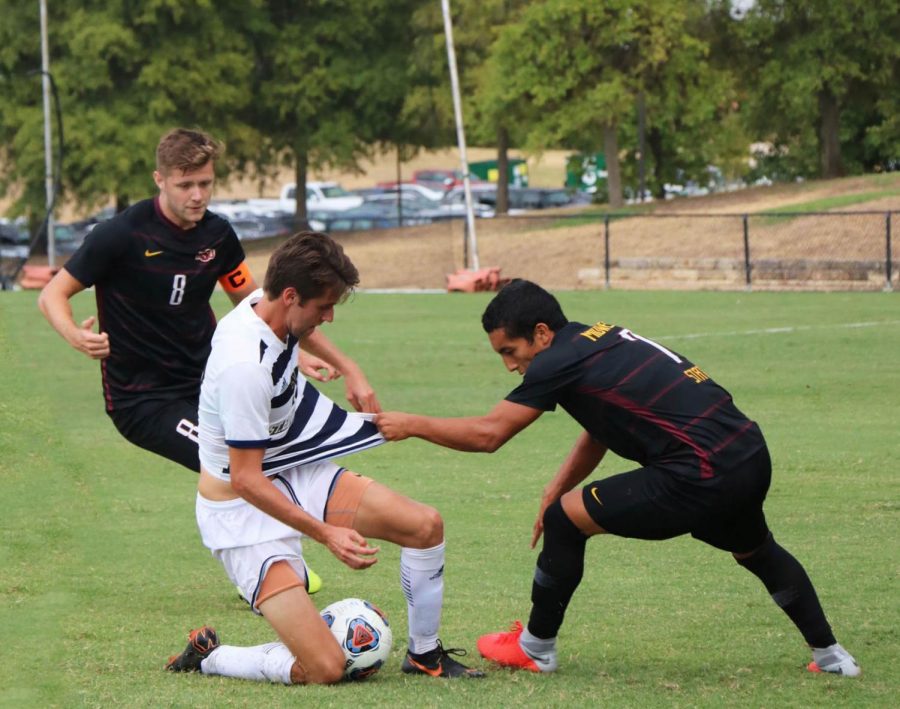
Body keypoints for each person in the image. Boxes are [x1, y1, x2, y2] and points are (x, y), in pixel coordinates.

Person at [375, 278, 861, 678]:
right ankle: (832, 657)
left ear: (542, 333)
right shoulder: (594, 338)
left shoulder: (556, 361)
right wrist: (556, 486)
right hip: (747, 454)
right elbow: (601, 424)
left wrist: (411, 425)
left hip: (700, 470)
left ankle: (536, 648)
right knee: (757, 550)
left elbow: (488, 434)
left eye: (511, 350)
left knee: (566, 522)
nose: (510, 365)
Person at [37, 128, 376, 591]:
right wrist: (74, 334)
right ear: (160, 179)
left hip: (209, 381)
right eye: (185, 185)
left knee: (261, 458)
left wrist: (322, 362)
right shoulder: (120, 235)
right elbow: (53, 294)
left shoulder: (217, 235)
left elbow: (261, 305)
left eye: (205, 183)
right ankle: (265, 573)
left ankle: (273, 565)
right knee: (234, 469)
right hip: (145, 400)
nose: (197, 195)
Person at [165, 231, 484, 684]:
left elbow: (297, 336)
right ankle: (211, 657)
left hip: (295, 467)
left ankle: (424, 654)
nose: (329, 317)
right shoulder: (244, 370)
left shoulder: (266, 299)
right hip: (241, 513)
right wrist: (326, 533)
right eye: (323, 307)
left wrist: (349, 368)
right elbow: (245, 480)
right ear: (291, 296)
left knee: (424, 526)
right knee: (325, 668)